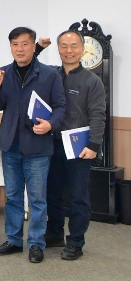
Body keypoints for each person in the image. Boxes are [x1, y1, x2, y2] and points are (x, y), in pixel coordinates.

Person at [0, 26, 65, 263]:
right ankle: (13, 240)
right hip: (10, 145)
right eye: (15, 44)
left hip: (38, 146)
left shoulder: (49, 74)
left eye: (24, 44)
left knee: (37, 200)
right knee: (12, 197)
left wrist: (50, 124)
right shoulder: (3, 72)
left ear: (34, 46)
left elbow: (61, 106)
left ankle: (36, 243)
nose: (19, 49)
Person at [42, 31, 106, 260]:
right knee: (52, 193)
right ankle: (55, 233)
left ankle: (76, 241)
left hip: (79, 146)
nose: (69, 50)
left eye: (74, 46)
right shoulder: (51, 75)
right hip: (51, 144)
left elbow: (98, 115)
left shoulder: (92, 81)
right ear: (58, 49)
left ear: (82, 49)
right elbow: (29, 65)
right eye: (64, 46)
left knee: (78, 196)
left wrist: (94, 145)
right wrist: (38, 47)